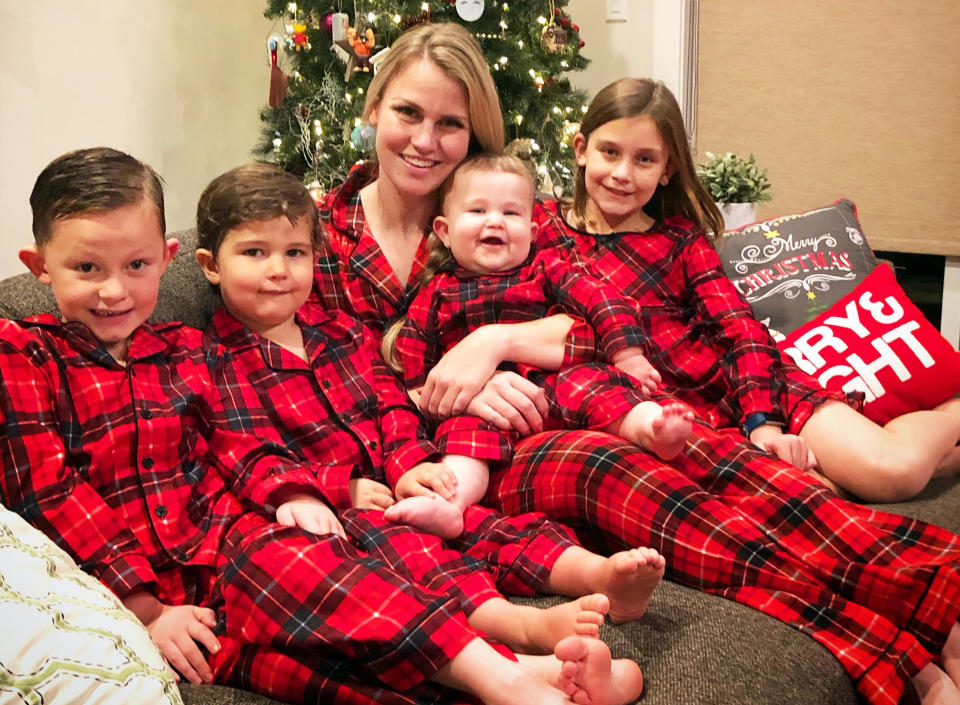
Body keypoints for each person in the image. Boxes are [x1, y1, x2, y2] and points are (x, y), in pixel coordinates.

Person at [311, 21, 960, 705]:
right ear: (373, 108)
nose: (424, 140)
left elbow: (596, 316)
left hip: (569, 397)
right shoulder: (320, 242)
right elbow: (338, 384)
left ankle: (914, 619)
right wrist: (450, 391)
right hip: (470, 453)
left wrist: (493, 341)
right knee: (612, 467)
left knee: (712, 462)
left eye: (450, 123)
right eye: (408, 112)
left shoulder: (516, 214)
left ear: (473, 137)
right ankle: (924, 608)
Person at [0, 146, 645, 705]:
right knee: (312, 676)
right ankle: (527, 677)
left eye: (136, 266)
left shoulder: (185, 349)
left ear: (166, 259)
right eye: (87, 269)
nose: (115, 290)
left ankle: (504, 673)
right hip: (148, 589)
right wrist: (143, 608)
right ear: (38, 266)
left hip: (232, 549)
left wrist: (294, 493)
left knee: (311, 562)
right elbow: (48, 492)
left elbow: (240, 438)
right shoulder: (25, 354)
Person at [195, 161, 666, 634]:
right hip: (338, 509)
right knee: (417, 550)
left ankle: (598, 575)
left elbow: (394, 404)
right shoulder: (210, 361)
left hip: (398, 481)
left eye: (295, 253)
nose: (278, 270)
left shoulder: (344, 333)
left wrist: (412, 464)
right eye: (256, 252)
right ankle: (520, 629)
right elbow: (243, 449)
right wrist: (331, 488)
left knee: (483, 524)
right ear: (211, 266)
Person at [535, 76, 960, 504]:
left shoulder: (681, 240)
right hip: (665, 414)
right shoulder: (539, 227)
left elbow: (740, 329)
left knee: (893, 472)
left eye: (644, 159)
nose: (622, 174)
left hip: (744, 386)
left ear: (667, 171)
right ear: (581, 149)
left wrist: (764, 422)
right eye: (610, 152)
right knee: (811, 498)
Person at [383, 152, 692, 537]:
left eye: (510, 214)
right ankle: (450, 503)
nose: (494, 221)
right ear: (444, 231)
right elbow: (413, 368)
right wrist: (431, 401)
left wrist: (628, 354)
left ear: (531, 231)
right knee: (463, 437)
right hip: (485, 405)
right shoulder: (436, 294)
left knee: (597, 386)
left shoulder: (547, 269)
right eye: (477, 211)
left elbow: (602, 300)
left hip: (555, 381)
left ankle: (650, 429)